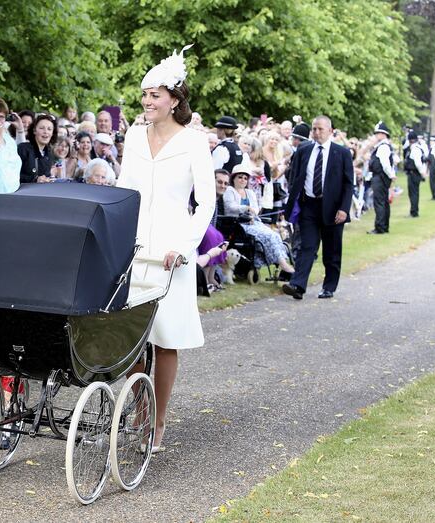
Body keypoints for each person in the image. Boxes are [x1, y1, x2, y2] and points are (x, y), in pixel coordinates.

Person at [116, 45, 214, 452]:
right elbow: (124, 189)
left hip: (172, 250)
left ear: (175, 100)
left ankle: (157, 421)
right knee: (130, 336)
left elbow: (206, 202)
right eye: (144, 95)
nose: (147, 102)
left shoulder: (194, 143)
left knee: (165, 336)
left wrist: (184, 246)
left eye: (155, 95)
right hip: (135, 246)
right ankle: (138, 406)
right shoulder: (135, 136)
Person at [282, 115, 353, 300]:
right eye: (314, 129)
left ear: (330, 131)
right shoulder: (304, 150)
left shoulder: (342, 153)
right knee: (307, 246)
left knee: (332, 249)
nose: (316, 132)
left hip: (333, 208)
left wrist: (344, 209)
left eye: (320, 129)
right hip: (309, 206)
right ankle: (297, 285)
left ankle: (329, 286)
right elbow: (294, 175)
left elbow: (348, 184)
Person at [223, 164, 294, 273]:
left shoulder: (250, 193)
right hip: (238, 224)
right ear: (234, 178)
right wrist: (246, 208)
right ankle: (284, 266)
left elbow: (255, 209)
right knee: (268, 236)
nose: (243, 180)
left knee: (275, 235)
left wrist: (252, 214)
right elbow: (230, 207)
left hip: (252, 222)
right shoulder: (229, 190)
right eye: (240, 177)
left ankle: (283, 264)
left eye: (245, 178)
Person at [367, 121, 395, 234]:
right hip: (381, 177)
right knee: (383, 202)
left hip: (380, 177)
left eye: (378, 133)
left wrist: (391, 175)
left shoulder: (383, 147)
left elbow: (385, 164)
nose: (376, 135)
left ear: (383, 134)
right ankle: (384, 226)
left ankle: (380, 227)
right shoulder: (383, 146)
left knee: (379, 202)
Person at [18, 113, 56, 183]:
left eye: (49, 129)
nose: (46, 132)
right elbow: (12, 175)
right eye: (42, 128)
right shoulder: (23, 149)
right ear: (34, 130)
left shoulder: (49, 153)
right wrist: (34, 179)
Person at [406, 130, 427, 217]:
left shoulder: (415, 149)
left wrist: (422, 173)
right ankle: (413, 210)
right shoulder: (416, 148)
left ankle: (414, 212)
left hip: (414, 173)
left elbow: (418, 163)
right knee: (413, 193)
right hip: (413, 173)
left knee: (413, 193)